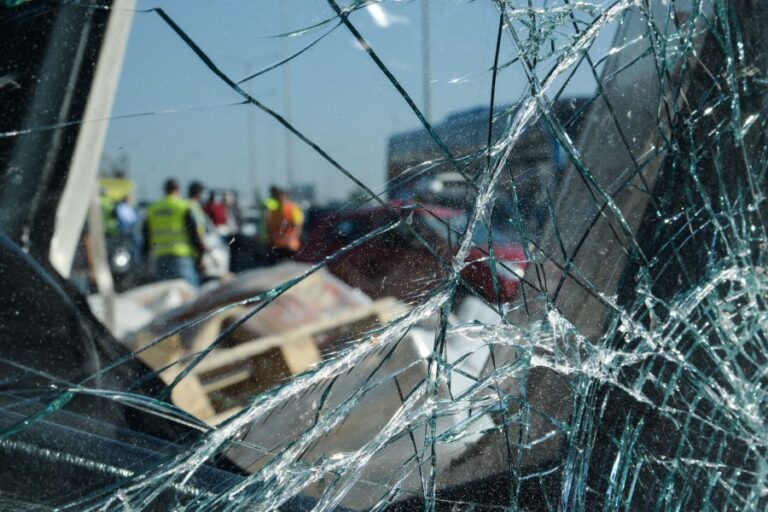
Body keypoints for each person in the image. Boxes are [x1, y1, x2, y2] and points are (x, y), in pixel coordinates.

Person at [143, 179, 207, 286]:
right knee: (188, 292)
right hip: (181, 255)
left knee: (166, 292)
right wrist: (200, 254)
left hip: (160, 255)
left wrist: (145, 258)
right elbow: (193, 233)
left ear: (164, 190)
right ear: (178, 190)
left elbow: (146, 235)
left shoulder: (153, 209)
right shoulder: (183, 206)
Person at [264, 186, 304, 263]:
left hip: (289, 245)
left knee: (289, 266)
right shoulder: (272, 210)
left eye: (281, 196)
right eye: (278, 196)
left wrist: (292, 237)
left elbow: (298, 226)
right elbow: (269, 226)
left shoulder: (293, 208)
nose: (280, 198)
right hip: (276, 245)